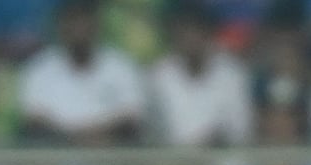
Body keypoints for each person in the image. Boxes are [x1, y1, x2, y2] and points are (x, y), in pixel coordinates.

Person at [18, 0, 145, 145]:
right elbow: (34, 122)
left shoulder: (122, 67)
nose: (78, 27)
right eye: (71, 19)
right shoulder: (38, 69)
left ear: (97, 23)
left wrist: (84, 138)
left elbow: (130, 120)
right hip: (56, 160)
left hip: (110, 159)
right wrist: (77, 140)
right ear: (60, 24)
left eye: (84, 18)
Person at [148, 3, 254, 147]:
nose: (189, 38)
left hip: (223, 163)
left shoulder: (232, 74)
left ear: (208, 33)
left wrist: (215, 140)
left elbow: (240, 130)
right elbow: (155, 133)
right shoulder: (159, 76)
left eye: (195, 30)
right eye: (183, 31)